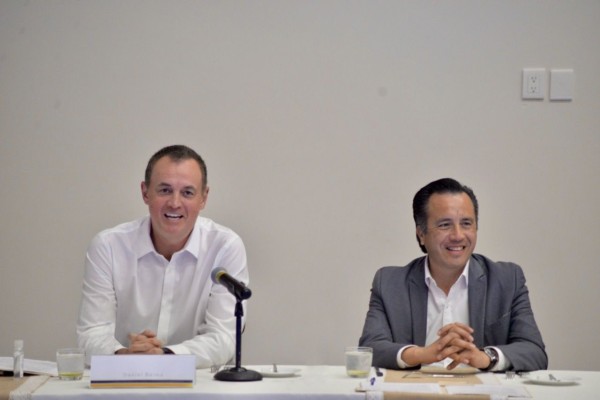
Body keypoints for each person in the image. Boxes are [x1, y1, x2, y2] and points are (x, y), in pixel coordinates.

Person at [77, 145, 249, 368]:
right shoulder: (108, 246)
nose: (175, 203)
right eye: (165, 190)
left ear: (203, 198)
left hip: (199, 383)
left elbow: (224, 336)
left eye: (187, 193)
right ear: (145, 192)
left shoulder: (225, 246)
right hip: (125, 378)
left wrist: (165, 356)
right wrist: (124, 355)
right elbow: (92, 333)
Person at [359, 178, 547, 372]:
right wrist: (422, 354)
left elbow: (534, 352)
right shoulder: (389, 283)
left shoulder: (507, 280)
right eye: (445, 225)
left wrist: (485, 357)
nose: (458, 235)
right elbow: (370, 349)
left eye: (466, 223)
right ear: (421, 234)